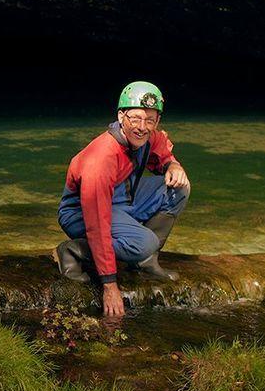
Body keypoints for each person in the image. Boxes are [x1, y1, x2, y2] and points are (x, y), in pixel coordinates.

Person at [54, 81, 191, 319]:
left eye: (150, 120)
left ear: (157, 121)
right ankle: (73, 251)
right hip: (81, 212)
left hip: (122, 198)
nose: (142, 127)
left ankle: (146, 260)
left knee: (179, 187)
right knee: (144, 242)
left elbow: (160, 147)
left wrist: (173, 164)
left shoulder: (148, 135)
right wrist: (109, 284)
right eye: (135, 119)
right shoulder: (101, 160)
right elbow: (96, 223)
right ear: (121, 117)